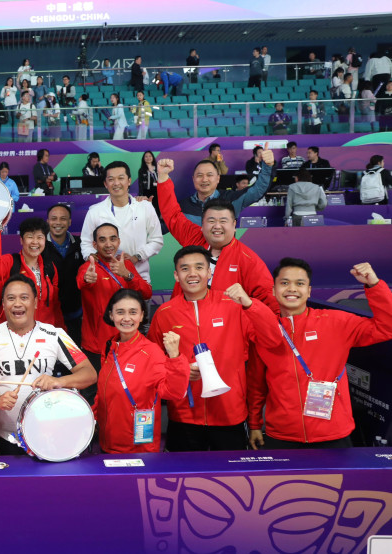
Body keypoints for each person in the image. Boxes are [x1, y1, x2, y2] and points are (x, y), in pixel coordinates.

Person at [247, 259, 392, 450]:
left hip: (333, 434)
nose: (292, 289)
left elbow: (386, 327)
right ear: (273, 291)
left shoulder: (336, 322)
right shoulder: (265, 331)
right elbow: (256, 384)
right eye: (284, 283)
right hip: (282, 435)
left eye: (300, 283)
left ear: (309, 291)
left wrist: (374, 285)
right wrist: (255, 425)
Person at [148, 246, 272, 451]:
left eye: (199, 267)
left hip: (229, 413)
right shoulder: (165, 313)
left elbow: (270, 339)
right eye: (185, 269)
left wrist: (251, 304)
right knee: (184, 478)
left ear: (209, 272)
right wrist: (181, 370)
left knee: (231, 479)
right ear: (176, 276)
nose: (193, 273)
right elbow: (154, 363)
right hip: (184, 415)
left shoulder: (233, 305)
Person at [0, 275, 96, 454]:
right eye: (11, 298)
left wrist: (57, 381)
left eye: (24, 297)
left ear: (35, 302)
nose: (17, 303)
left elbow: (89, 374)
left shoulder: (55, 335)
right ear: (3, 304)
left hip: (45, 435)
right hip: (0, 437)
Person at [155, 158, 279, 313]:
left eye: (223, 221)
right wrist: (163, 177)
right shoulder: (194, 237)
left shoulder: (248, 259)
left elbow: (269, 299)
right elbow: (172, 214)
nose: (217, 226)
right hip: (185, 321)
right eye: (211, 221)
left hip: (226, 328)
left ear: (234, 225)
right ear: (203, 224)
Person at [96, 289, 188, 453]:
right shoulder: (110, 346)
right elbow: (104, 391)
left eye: (133, 312)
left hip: (138, 447)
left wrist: (175, 357)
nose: (126, 318)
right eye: (120, 312)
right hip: (107, 442)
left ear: (141, 315)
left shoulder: (151, 351)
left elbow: (173, 393)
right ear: (111, 315)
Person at [77, 223, 152, 404]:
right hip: (96, 346)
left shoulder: (125, 265)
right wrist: (89, 278)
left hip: (126, 342)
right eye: (102, 240)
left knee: (125, 393)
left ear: (119, 241)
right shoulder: (88, 267)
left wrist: (128, 275)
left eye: (112, 239)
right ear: (95, 245)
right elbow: (82, 281)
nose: (108, 244)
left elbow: (147, 293)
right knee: (93, 396)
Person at [80, 161, 163, 287]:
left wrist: (137, 256)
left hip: (139, 277)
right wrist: (90, 255)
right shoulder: (95, 211)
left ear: (129, 181)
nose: (116, 183)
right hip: (106, 281)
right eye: (111, 179)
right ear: (105, 184)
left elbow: (157, 240)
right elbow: (86, 242)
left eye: (121, 178)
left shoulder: (145, 207)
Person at [175, 151, 274, 224]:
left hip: (224, 252)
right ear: (193, 179)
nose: (204, 179)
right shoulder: (181, 207)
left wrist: (268, 166)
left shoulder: (232, 199)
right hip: (193, 252)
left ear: (218, 178)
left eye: (209, 175)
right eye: (200, 175)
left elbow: (258, 190)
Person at [43, 203, 84, 345]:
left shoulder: (81, 245)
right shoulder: (39, 246)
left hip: (75, 313)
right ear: (48, 221)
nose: (58, 223)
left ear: (70, 222)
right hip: (48, 315)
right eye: (54, 219)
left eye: (63, 218)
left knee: (73, 356)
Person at [137, 150, 162, 223]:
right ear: (144, 158)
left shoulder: (157, 168)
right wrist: (141, 195)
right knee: (148, 208)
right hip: (147, 191)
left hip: (157, 191)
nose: (148, 158)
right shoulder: (141, 170)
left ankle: (157, 222)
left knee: (157, 207)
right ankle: (149, 223)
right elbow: (140, 183)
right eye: (146, 156)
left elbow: (161, 179)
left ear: (153, 157)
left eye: (150, 156)